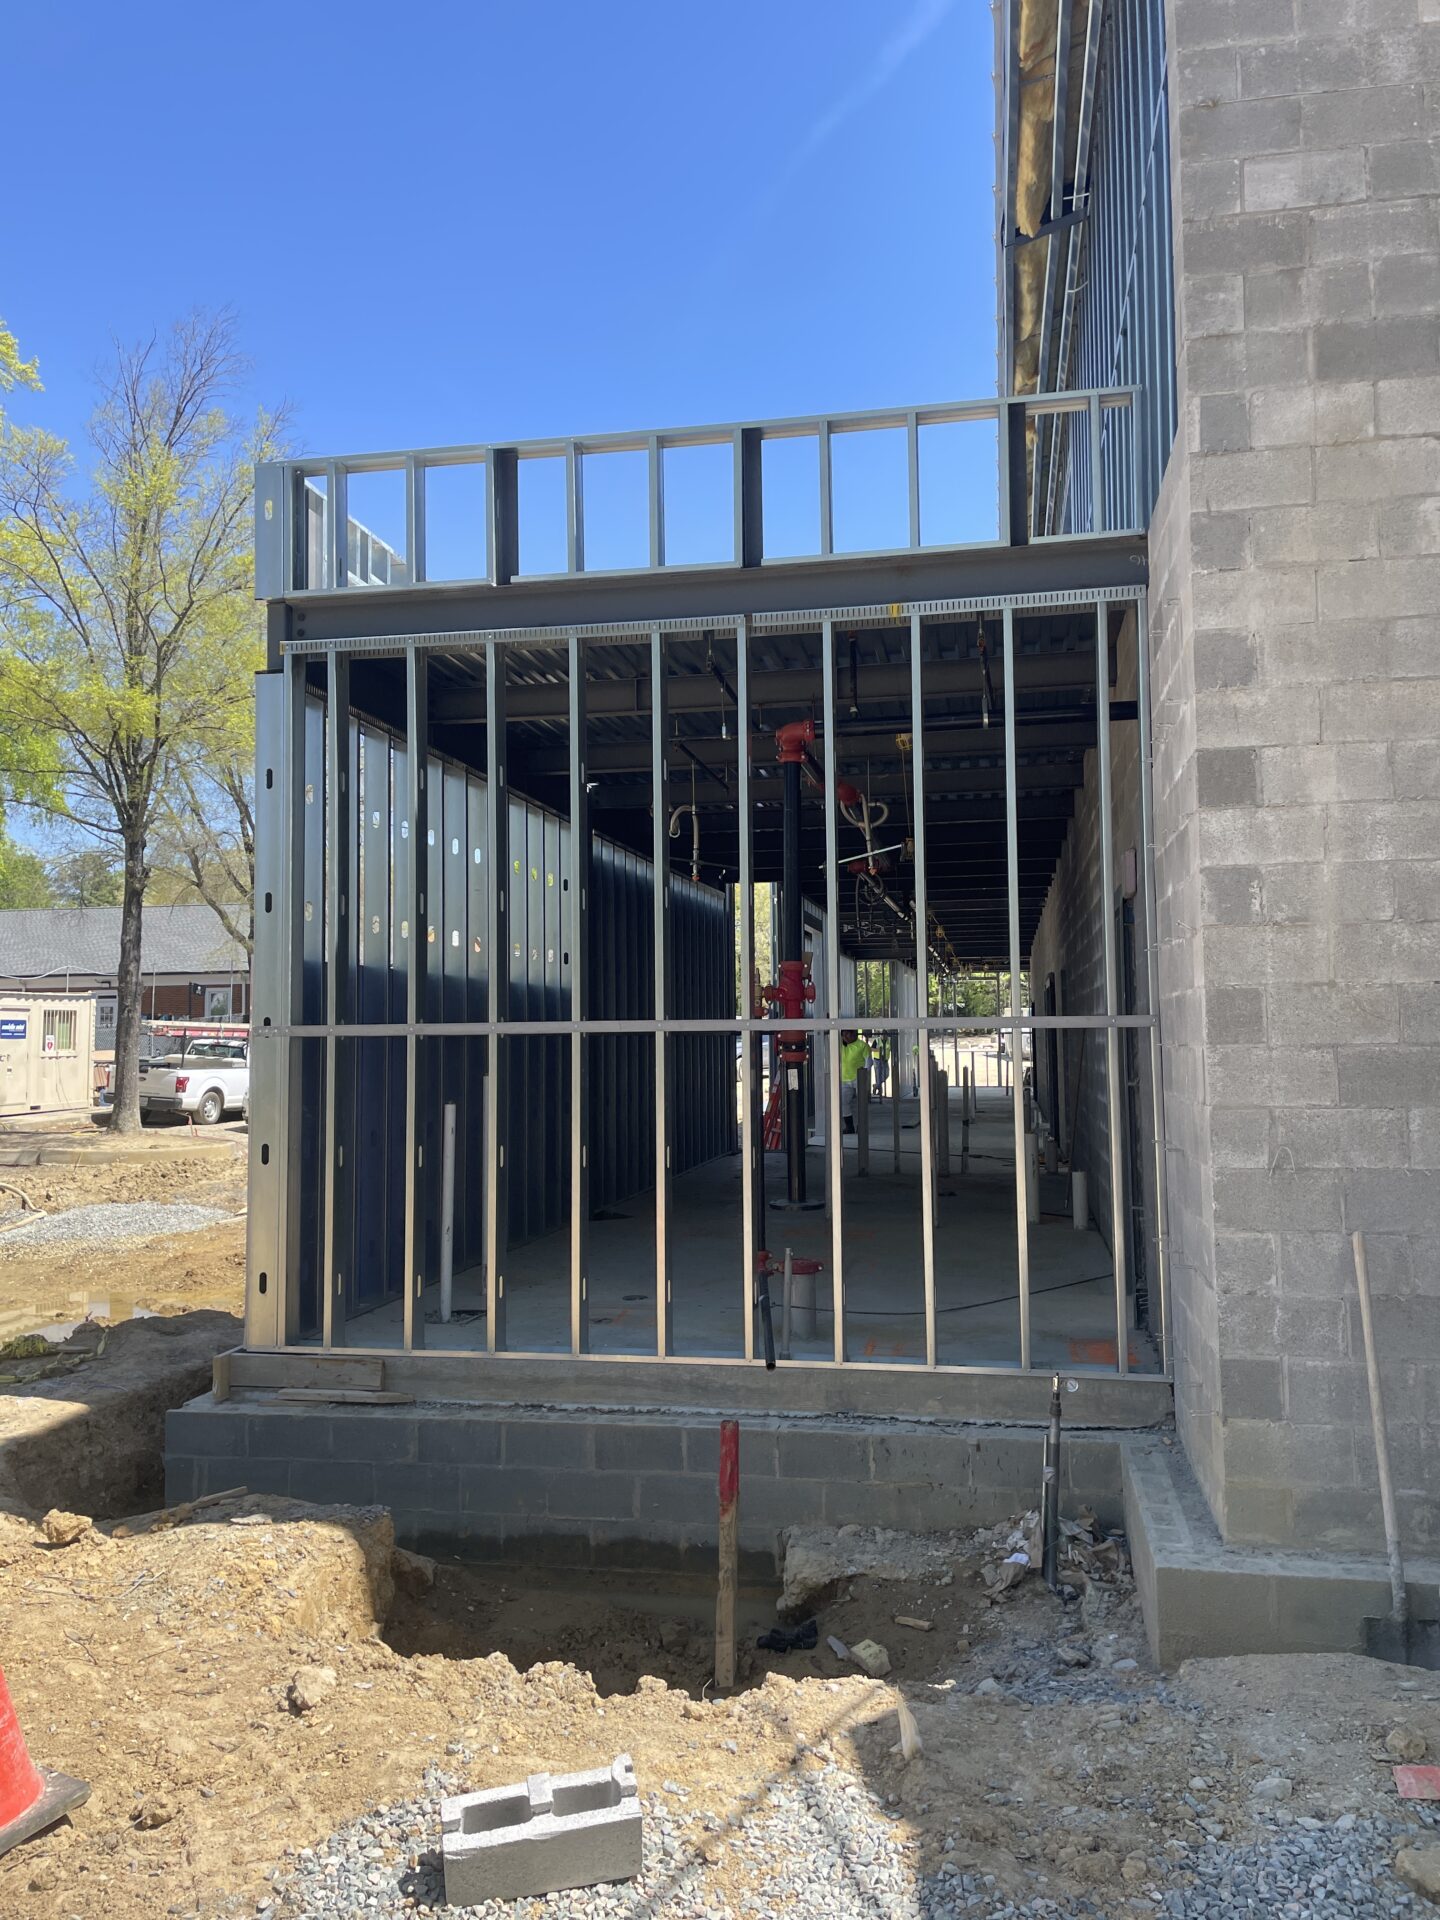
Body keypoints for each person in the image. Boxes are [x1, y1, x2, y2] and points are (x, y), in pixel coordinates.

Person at [839, 1029, 872, 1135]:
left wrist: (865, 1074)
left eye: (846, 1035)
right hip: (844, 1079)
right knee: (844, 1103)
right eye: (843, 1036)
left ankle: (862, 1126)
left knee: (861, 1103)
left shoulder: (863, 1046)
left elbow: (868, 1062)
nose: (845, 1038)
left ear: (853, 1034)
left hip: (858, 1078)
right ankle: (849, 1127)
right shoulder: (840, 1045)